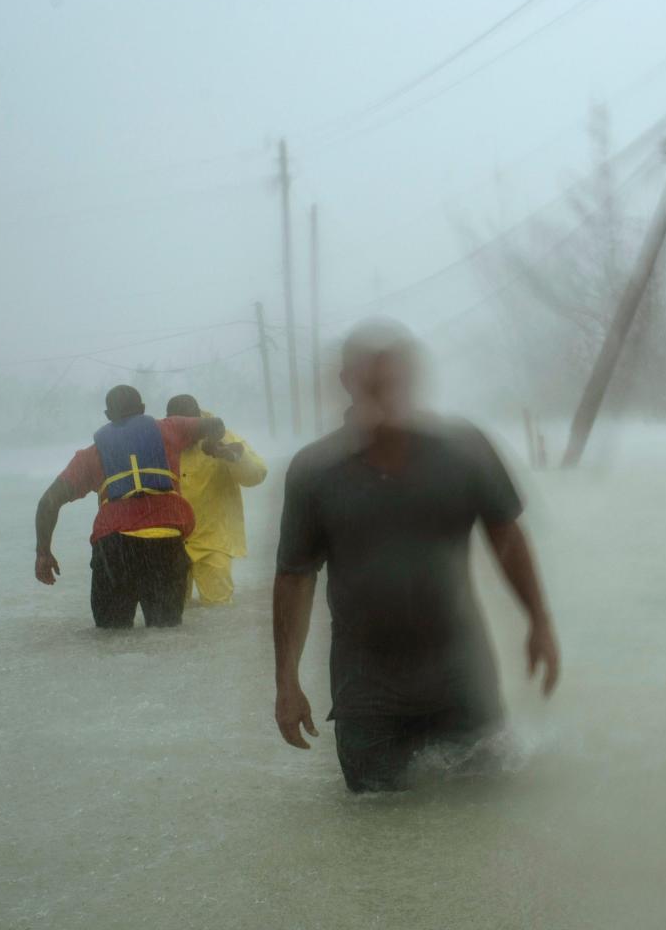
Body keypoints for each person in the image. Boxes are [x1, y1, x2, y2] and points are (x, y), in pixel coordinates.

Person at [271, 320, 560, 794]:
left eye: (396, 379)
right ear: (347, 382)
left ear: (414, 381)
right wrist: (286, 682)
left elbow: (506, 537)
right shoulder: (315, 471)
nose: (386, 392)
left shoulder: (463, 451)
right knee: (376, 837)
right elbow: (294, 577)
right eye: (372, 381)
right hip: (367, 696)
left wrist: (540, 622)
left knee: (487, 830)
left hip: (463, 681)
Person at [33, 384, 226, 629]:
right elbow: (216, 424)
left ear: (107, 416)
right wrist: (212, 443)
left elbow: (47, 503)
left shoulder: (90, 456)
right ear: (143, 409)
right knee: (166, 636)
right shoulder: (172, 428)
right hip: (164, 548)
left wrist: (43, 553)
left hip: (114, 550)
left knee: (111, 638)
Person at [163, 393, 266, 607]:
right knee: (171, 614)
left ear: (199, 420)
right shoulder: (161, 443)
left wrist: (232, 457)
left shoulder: (223, 437)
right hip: (170, 542)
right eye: (180, 427)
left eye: (190, 426)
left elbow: (256, 475)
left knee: (219, 611)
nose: (186, 432)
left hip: (213, 542)